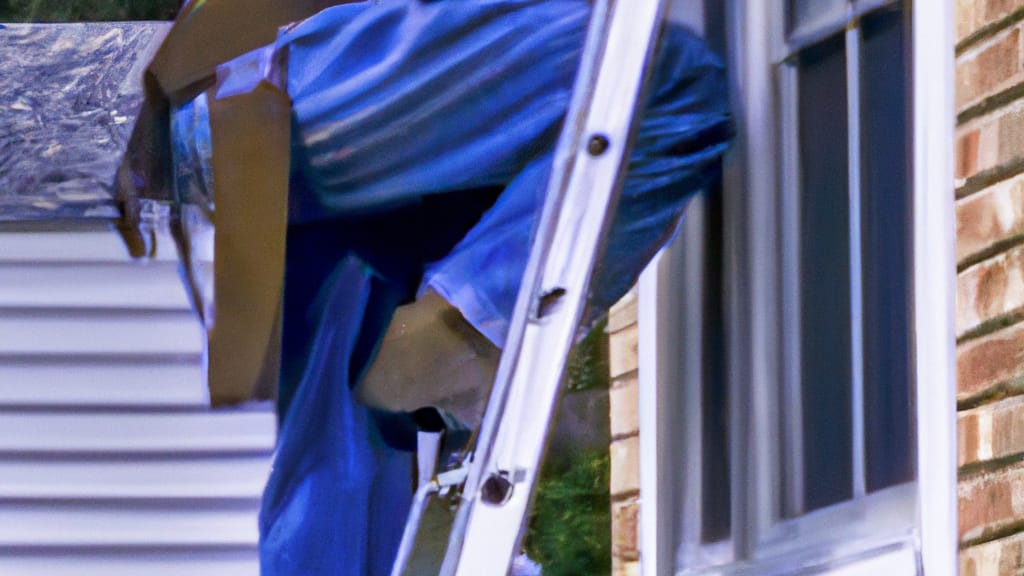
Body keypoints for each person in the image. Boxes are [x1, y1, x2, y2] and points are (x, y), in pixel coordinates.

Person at [119, 0, 731, 573]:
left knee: (349, 460)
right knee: (661, 82)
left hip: (246, 124)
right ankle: (455, 340)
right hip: (277, 88)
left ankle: (442, 347)